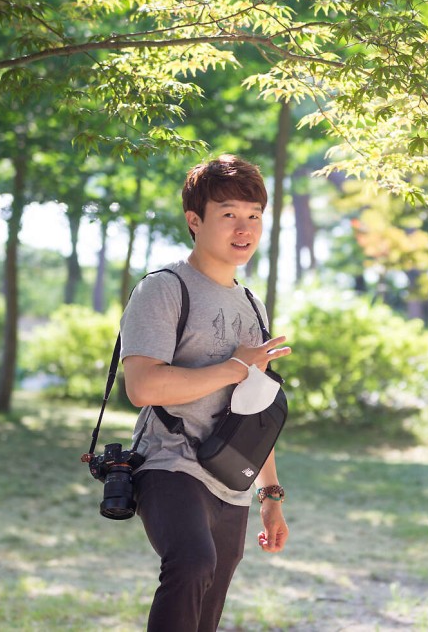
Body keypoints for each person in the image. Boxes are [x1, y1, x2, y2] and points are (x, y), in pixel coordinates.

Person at [119, 154, 291, 632]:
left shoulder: (252, 304)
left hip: (230, 479)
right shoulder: (164, 290)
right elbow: (143, 386)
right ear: (195, 221)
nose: (245, 228)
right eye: (229, 214)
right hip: (168, 463)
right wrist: (234, 367)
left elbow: (256, 409)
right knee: (193, 563)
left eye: (254, 215)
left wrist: (271, 496)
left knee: (208, 604)